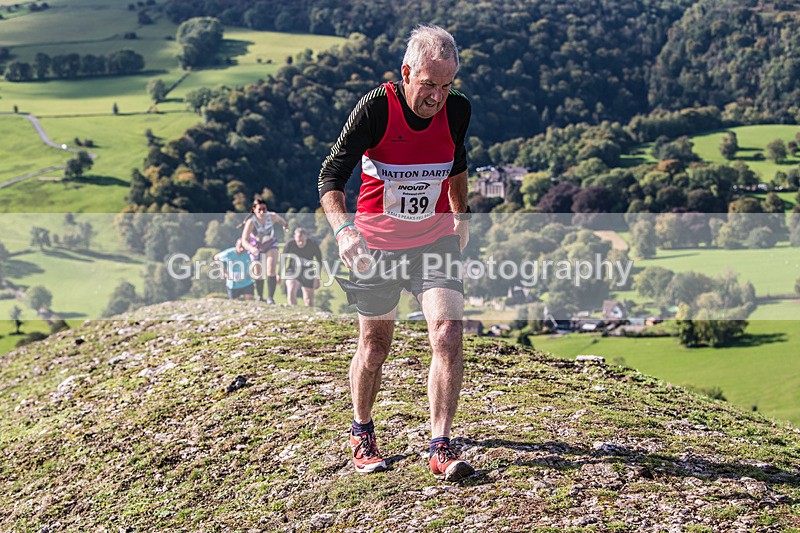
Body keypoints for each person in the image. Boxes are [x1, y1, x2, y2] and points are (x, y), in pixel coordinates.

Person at [318, 25, 474, 481]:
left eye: (447, 86)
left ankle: (441, 445)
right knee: (375, 346)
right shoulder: (376, 108)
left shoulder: (458, 109)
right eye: (429, 85)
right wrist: (344, 230)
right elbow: (331, 175)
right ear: (406, 73)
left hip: (434, 239)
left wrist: (461, 216)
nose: (438, 97)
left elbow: (457, 159)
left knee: (447, 334)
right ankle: (361, 429)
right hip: (376, 243)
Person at [241, 197, 289, 304]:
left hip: (271, 244)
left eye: (264, 209)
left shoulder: (272, 216)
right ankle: (260, 296)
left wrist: (285, 227)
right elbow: (244, 240)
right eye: (259, 210)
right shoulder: (250, 222)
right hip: (256, 247)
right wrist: (251, 248)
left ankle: (270, 298)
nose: (262, 212)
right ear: (254, 210)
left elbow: (283, 222)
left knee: (270, 268)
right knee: (258, 272)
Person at [282, 227, 323, 307]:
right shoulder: (290, 244)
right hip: (293, 270)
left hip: (308, 272)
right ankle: (293, 313)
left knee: (309, 300)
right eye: (298, 241)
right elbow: (283, 258)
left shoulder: (313, 245)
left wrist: (317, 278)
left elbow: (319, 261)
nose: (300, 243)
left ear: (306, 238)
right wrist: (279, 274)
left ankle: (309, 315)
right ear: (294, 238)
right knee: (291, 289)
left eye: (302, 241)